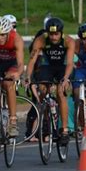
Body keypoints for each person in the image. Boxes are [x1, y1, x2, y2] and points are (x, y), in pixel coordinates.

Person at [26, 17, 75, 145]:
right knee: (42, 88)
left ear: (61, 32)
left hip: (62, 67)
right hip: (47, 66)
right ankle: (46, 116)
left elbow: (70, 63)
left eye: (56, 34)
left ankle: (64, 130)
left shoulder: (68, 41)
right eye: (51, 34)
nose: (53, 37)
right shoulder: (41, 39)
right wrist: (27, 77)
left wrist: (65, 78)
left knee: (60, 93)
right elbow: (31, 60)